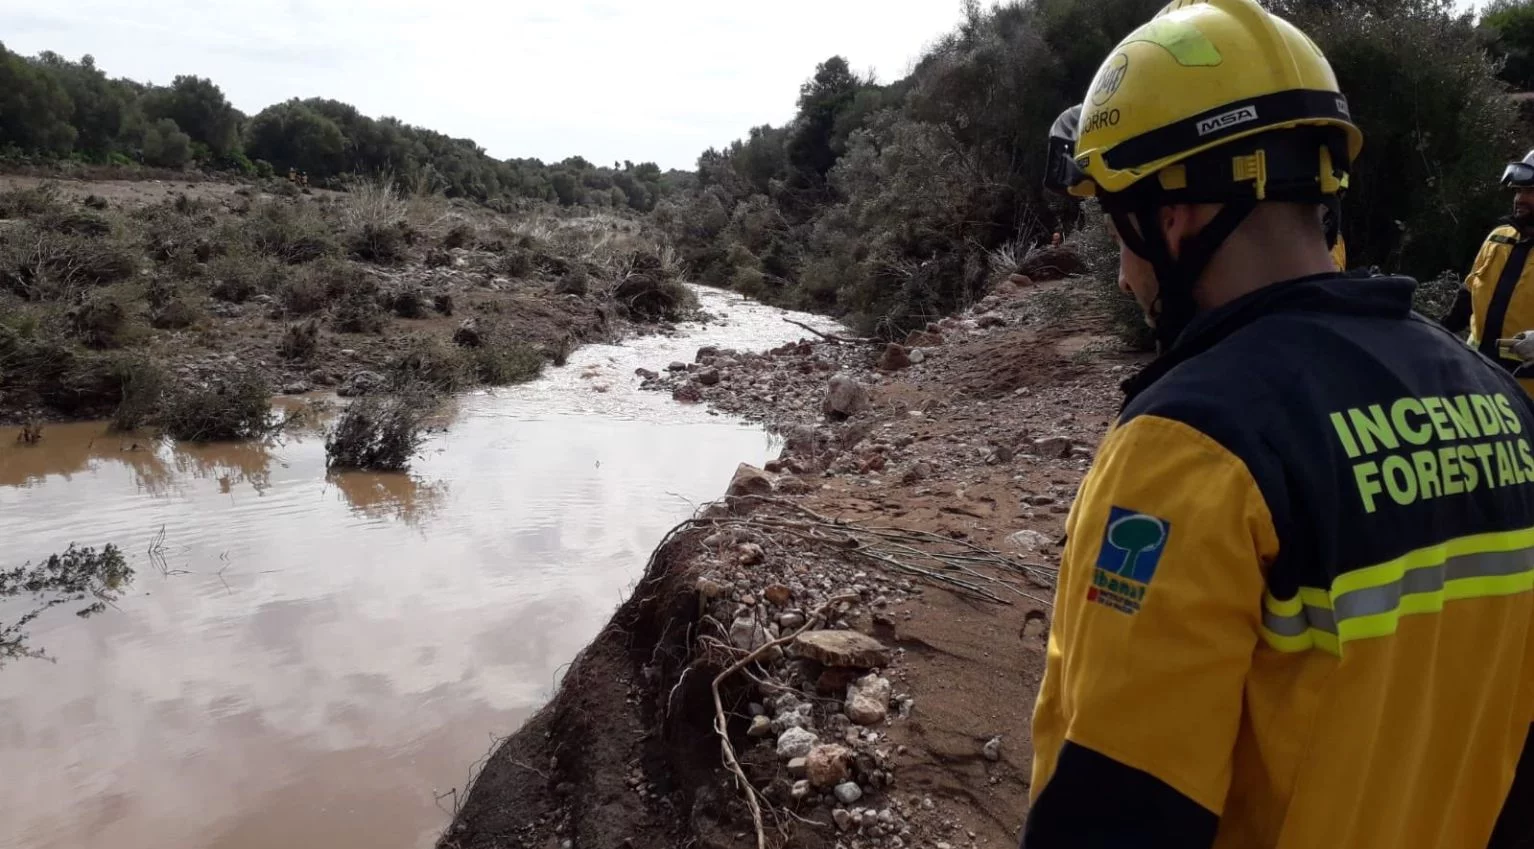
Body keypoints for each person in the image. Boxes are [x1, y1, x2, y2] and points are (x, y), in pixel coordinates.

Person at [1024, 2, 1534, 848]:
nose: (1122, 275)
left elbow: (1113, 805)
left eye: (1122, 230)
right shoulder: (1500, 406)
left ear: (1174, 215)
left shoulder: (1189, 447)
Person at [1443, 150, 1534, 397]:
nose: (1520, 199)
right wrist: (1435, 333)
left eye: (1530, 191)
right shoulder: (1498, 239)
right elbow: (1466, 298)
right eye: (1518, 190)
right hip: (1480, 380)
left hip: (1527, 391)